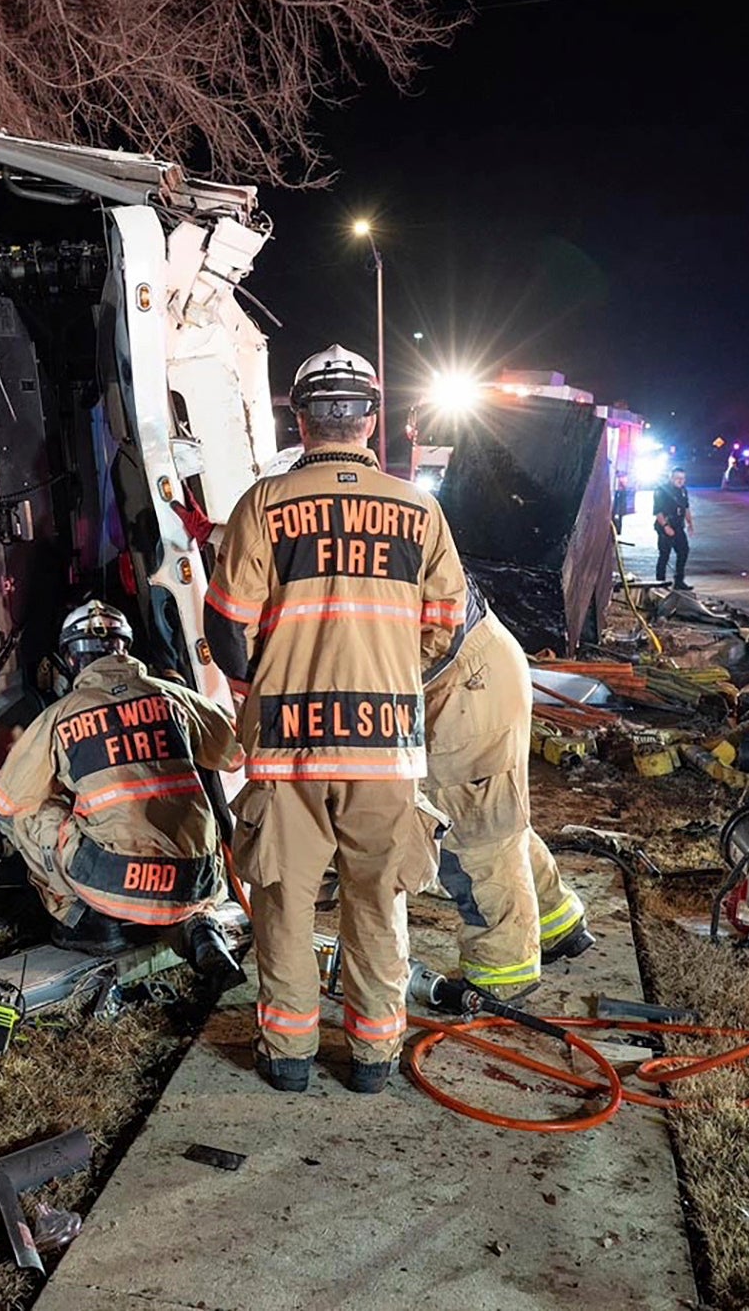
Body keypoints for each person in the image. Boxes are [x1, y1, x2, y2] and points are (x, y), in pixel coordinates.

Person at [205, 344, 466, 1095]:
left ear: (300, 416)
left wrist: (265, 684)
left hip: (287, 748)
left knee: (284, 899)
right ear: (371, 419)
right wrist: (387, 673)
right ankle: (374, 1060)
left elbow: (226, 625)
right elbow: (445, 626)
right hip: (384, 749)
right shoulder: (420, 509)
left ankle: (287, 1059)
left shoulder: (264, 503)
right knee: (377, 899)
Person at [0, 601, 245, 985]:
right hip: (198, 878)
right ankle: (200, 930)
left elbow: (6, 799)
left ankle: (86, 920)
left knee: (28, 812)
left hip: (114, 879)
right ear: (125, 647)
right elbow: (232, 755)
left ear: (71, 660)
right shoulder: (173, 696)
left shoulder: (62, 715)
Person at [423, 586, 594, 1004]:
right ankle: (558, 922)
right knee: (497, 816)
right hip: (479, 667)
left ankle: (502, 971)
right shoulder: (395, 525)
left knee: (469, 833)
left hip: (464, 687)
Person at [652, 466, 694, 589]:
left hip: (678, 526)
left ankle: (679, 581)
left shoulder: (683, 491)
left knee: (683, 551)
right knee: (664, 554)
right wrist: (665, 526)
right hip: (665, 525)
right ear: (671, 478)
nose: (680, 481)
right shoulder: (661, 491)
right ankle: (660, 582)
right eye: (677, 478)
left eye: (683, 478)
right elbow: (658, 512)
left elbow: (685, 507)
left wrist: (690, 523)